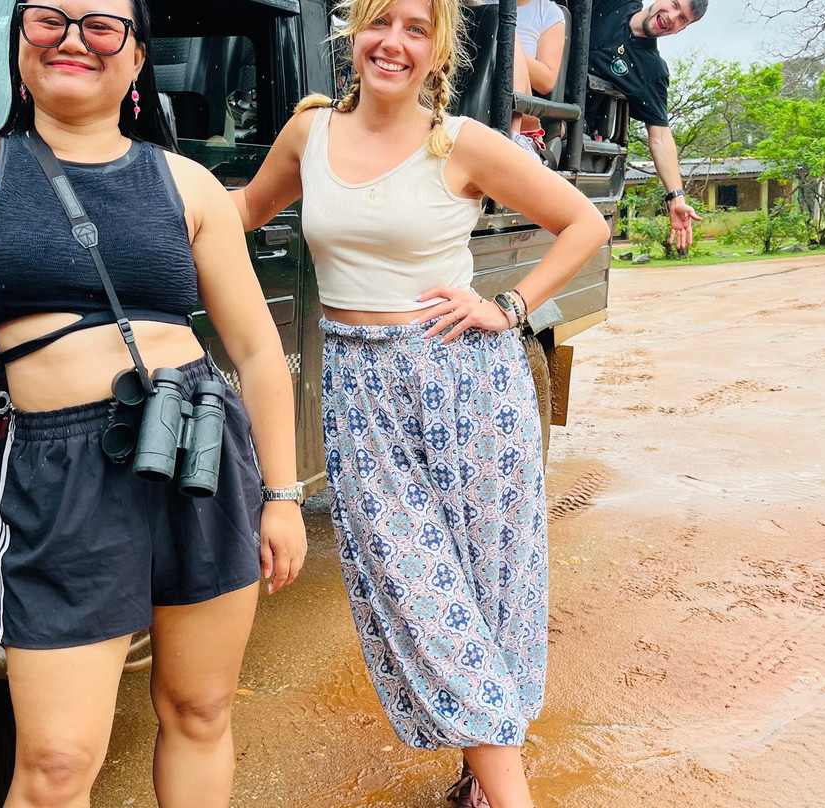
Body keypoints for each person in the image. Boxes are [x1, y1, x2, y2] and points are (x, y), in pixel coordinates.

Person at [0, 1, 307, 807]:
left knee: (201, 711)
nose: (73, 40)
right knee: (56, 765)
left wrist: (281, 497)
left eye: (101, 26)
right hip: (64, 473)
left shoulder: (187, 184)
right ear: (19, 47)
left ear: (137, 59)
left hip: (198, 455)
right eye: (48, 20)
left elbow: (255, 352)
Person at [231, 0, 609, 804]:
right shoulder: (308, 134)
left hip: (467, 381)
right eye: (380, 23)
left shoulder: (464, 141)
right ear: (353, 32)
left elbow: (582, 224)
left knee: (487, 590)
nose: (393, 43)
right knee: (420, 594)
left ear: (438, 50)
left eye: (415, 29)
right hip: (359, 390)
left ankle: (487, 784)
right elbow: (241, 213)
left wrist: (510, 307)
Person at [588, 0, 706, 248]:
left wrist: (676, 198)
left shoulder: (652, 71)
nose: (672, 16)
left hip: (561, 133)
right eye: (674, 4)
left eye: (682, 19)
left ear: (682, 29)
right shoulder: (617, 3)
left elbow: (661, 136)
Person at [511, 0, 567, 159]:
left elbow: (546, 81)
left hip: (524, 108)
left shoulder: (548, 13)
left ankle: (513, 137)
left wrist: (508, 48)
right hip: (476, 89)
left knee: (509, 36)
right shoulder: (481, 3)